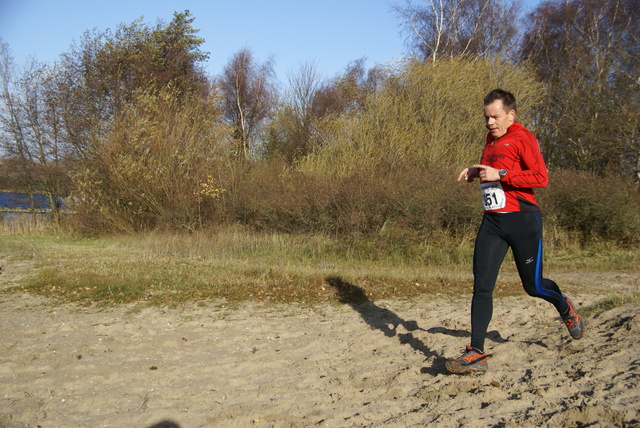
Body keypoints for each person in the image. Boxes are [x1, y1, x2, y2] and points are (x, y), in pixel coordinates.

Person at [445, 89, 584, 374]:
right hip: (493, 222)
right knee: (482, 285)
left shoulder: (524, 138)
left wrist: (502, 175)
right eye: (486, 117)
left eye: (495, 117)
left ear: (511, 114)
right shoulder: (490, 140)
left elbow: (541, 178)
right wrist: (476, 171)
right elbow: (493, 171)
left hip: (523, 220)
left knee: (534, 287)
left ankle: (564, 306)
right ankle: (476, 353)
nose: (490, 123)